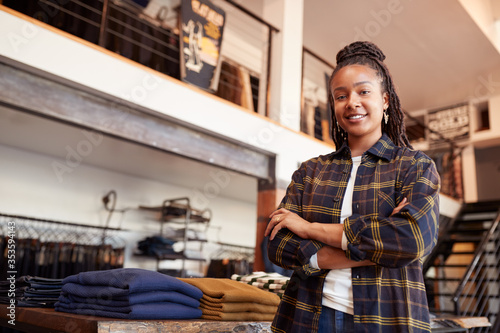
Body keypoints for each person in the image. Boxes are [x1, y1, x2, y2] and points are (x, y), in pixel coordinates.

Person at [265, 41, 440, 333]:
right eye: (340, 95)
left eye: (363, 91)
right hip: (307, 318)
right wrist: (380, 246)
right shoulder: (311, 171)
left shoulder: (414, 167)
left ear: (385, 100)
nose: (352, 102)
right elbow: (277, 244)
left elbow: (411, 240)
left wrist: (308, 229)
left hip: (386, 320)